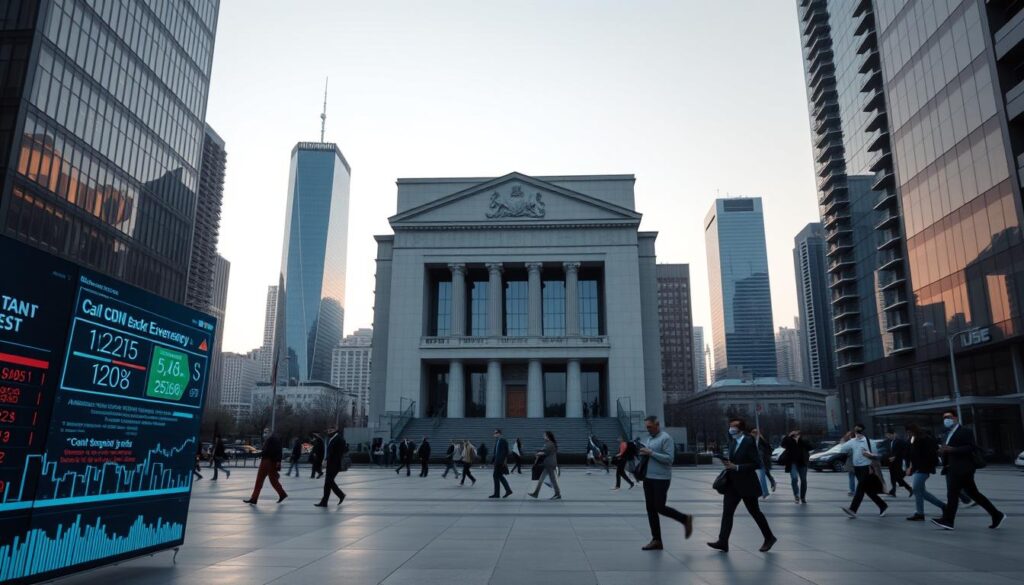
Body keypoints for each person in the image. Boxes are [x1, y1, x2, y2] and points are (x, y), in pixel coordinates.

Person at [707, 418, 776, 553]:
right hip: (733, 484)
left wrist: (737, 467)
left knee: (755, 512)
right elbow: (734, 459)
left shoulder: (749, 442)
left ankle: (769, 537)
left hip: (747, 484)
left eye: (734, 427)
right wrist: (727, 462)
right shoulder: (733, 442)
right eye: (730, 426)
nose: (731, 429)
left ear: (741, 429)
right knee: (727, 512)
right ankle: (723, 541)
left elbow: (757, 464)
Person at [931, 411, 1006, 531]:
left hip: (963, 467)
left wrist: (952, 449)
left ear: (955, 418)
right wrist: (942, 451)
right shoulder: (946, 434)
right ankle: (997, 515)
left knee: (952, 493)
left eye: (948, 417)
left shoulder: (965, 431)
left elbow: (971, 447)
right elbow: (947, 449)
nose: (946, 419)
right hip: (952, 467)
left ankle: (948, 521)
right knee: (974, 494)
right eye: (944, 418)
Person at [637, 416, 692, 550]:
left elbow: (669, 459)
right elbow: (650, 456)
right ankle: (656, 540)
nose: (647, 429)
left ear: (657, 425)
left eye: (649, 427)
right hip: (648, 478)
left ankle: (685, 519)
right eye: (646, 427)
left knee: (659, 507)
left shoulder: (666, 438)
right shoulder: (649, 439)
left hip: (661, 479)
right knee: (650, 509)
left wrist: (650, 452)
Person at [840, 423, 888, 519]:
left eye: (859, 430)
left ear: (863, 431)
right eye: (855, 430)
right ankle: (883, 505)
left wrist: (869, 455)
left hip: (867, 468)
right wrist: (846, 437)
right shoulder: (852, 441)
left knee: (860, 489)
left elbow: (876, 456)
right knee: (868, 490)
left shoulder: (869, 442)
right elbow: (842, 449)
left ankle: (853, 510)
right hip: (857, 468)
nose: (857, 432)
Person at [904, 423, 946, 521]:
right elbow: (912, 454)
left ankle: (942, 507)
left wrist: (915, 466)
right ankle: (920, 513)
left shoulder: (924, 439)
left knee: (917, 490)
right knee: (920, 492)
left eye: (909, 432)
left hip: (924, 468)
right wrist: (911, 466)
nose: (908, 434)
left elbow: (930, 454)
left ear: (913, 431)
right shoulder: (913, 439)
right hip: (918, 468)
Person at [243, 428, 288, 505]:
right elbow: (270, 451)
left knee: (261, 480)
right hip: (268, 461)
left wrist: (258, 454)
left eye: (266, 432)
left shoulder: (273, 440)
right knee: (272, 480)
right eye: (264, 432)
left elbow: (270, 452)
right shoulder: (271, 440)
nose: (265, 434)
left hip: (268, 461)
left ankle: (254, 498)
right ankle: (282, 494)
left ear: (271, 432)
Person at [315, 426, 347, 507]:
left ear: (335, 430)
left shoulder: (339, 439)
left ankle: (341, 495)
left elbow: (339, 451)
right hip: (331, 463)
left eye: (331, 430)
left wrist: (326, 460)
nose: (329, 432)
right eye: (328, 430)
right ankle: (324, 502)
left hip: (335, 464)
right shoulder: (332, 439)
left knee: (329, 481)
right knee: (327, 483)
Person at [780, 429, 812, 504]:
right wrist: (788, 436)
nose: (796, 434)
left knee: (803, 480)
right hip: (792, 463)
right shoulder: (788, 440)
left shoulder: (804, 439)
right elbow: (782, 445)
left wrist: (799, 440)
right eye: (794, 433)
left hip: (802, 462)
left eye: (797, 433)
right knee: (794, 478)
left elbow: (810, 447)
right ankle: (796, 495)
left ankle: (803, 497)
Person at [528, 431, 561, 500]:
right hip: (548, 464)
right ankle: (535, 493)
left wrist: (538, 453)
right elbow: (544, 450)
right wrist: (539, 451)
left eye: (545, 435)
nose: (543, 436)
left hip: (550, 464)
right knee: (541, 479)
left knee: (553, 480)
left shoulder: (550, 443)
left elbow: (546, 452)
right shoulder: (549, 443)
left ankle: (557, 494)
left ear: (548, 436)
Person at [885, 429, 913, 497]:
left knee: (898, 478)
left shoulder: (900, 441)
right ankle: (893, 490)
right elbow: (889, 451)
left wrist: (896, 457)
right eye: (887, 435)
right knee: (893, 477)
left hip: (898, 462)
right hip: (891, 463)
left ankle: (909, 489)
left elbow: (905, 450)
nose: (888, 436)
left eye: (889, 435)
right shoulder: (889, 442)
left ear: (894, 434)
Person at [750, 428, 776, 499]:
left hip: (764, 461)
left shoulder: (762, 441)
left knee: (763, 476)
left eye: (755, 433)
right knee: (763, 476)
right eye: (753, 433)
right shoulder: (752, 441)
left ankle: (765, 491)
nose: (753, 435)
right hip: (757, 462)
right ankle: (765, 490)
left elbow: (769, 450)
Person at [489, 429, 513, 499]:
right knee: (499, 476)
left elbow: (505, 452)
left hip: (500, 462)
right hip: (497, 461)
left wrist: (501, 461)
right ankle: (507, 491)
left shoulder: (503, 441)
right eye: (494, 433)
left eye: (496, 433)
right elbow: (495, 452)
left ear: (499, 433)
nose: (495, 434)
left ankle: (498, 493)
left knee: (496, 476)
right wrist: (493, 461)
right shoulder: (497, 441)